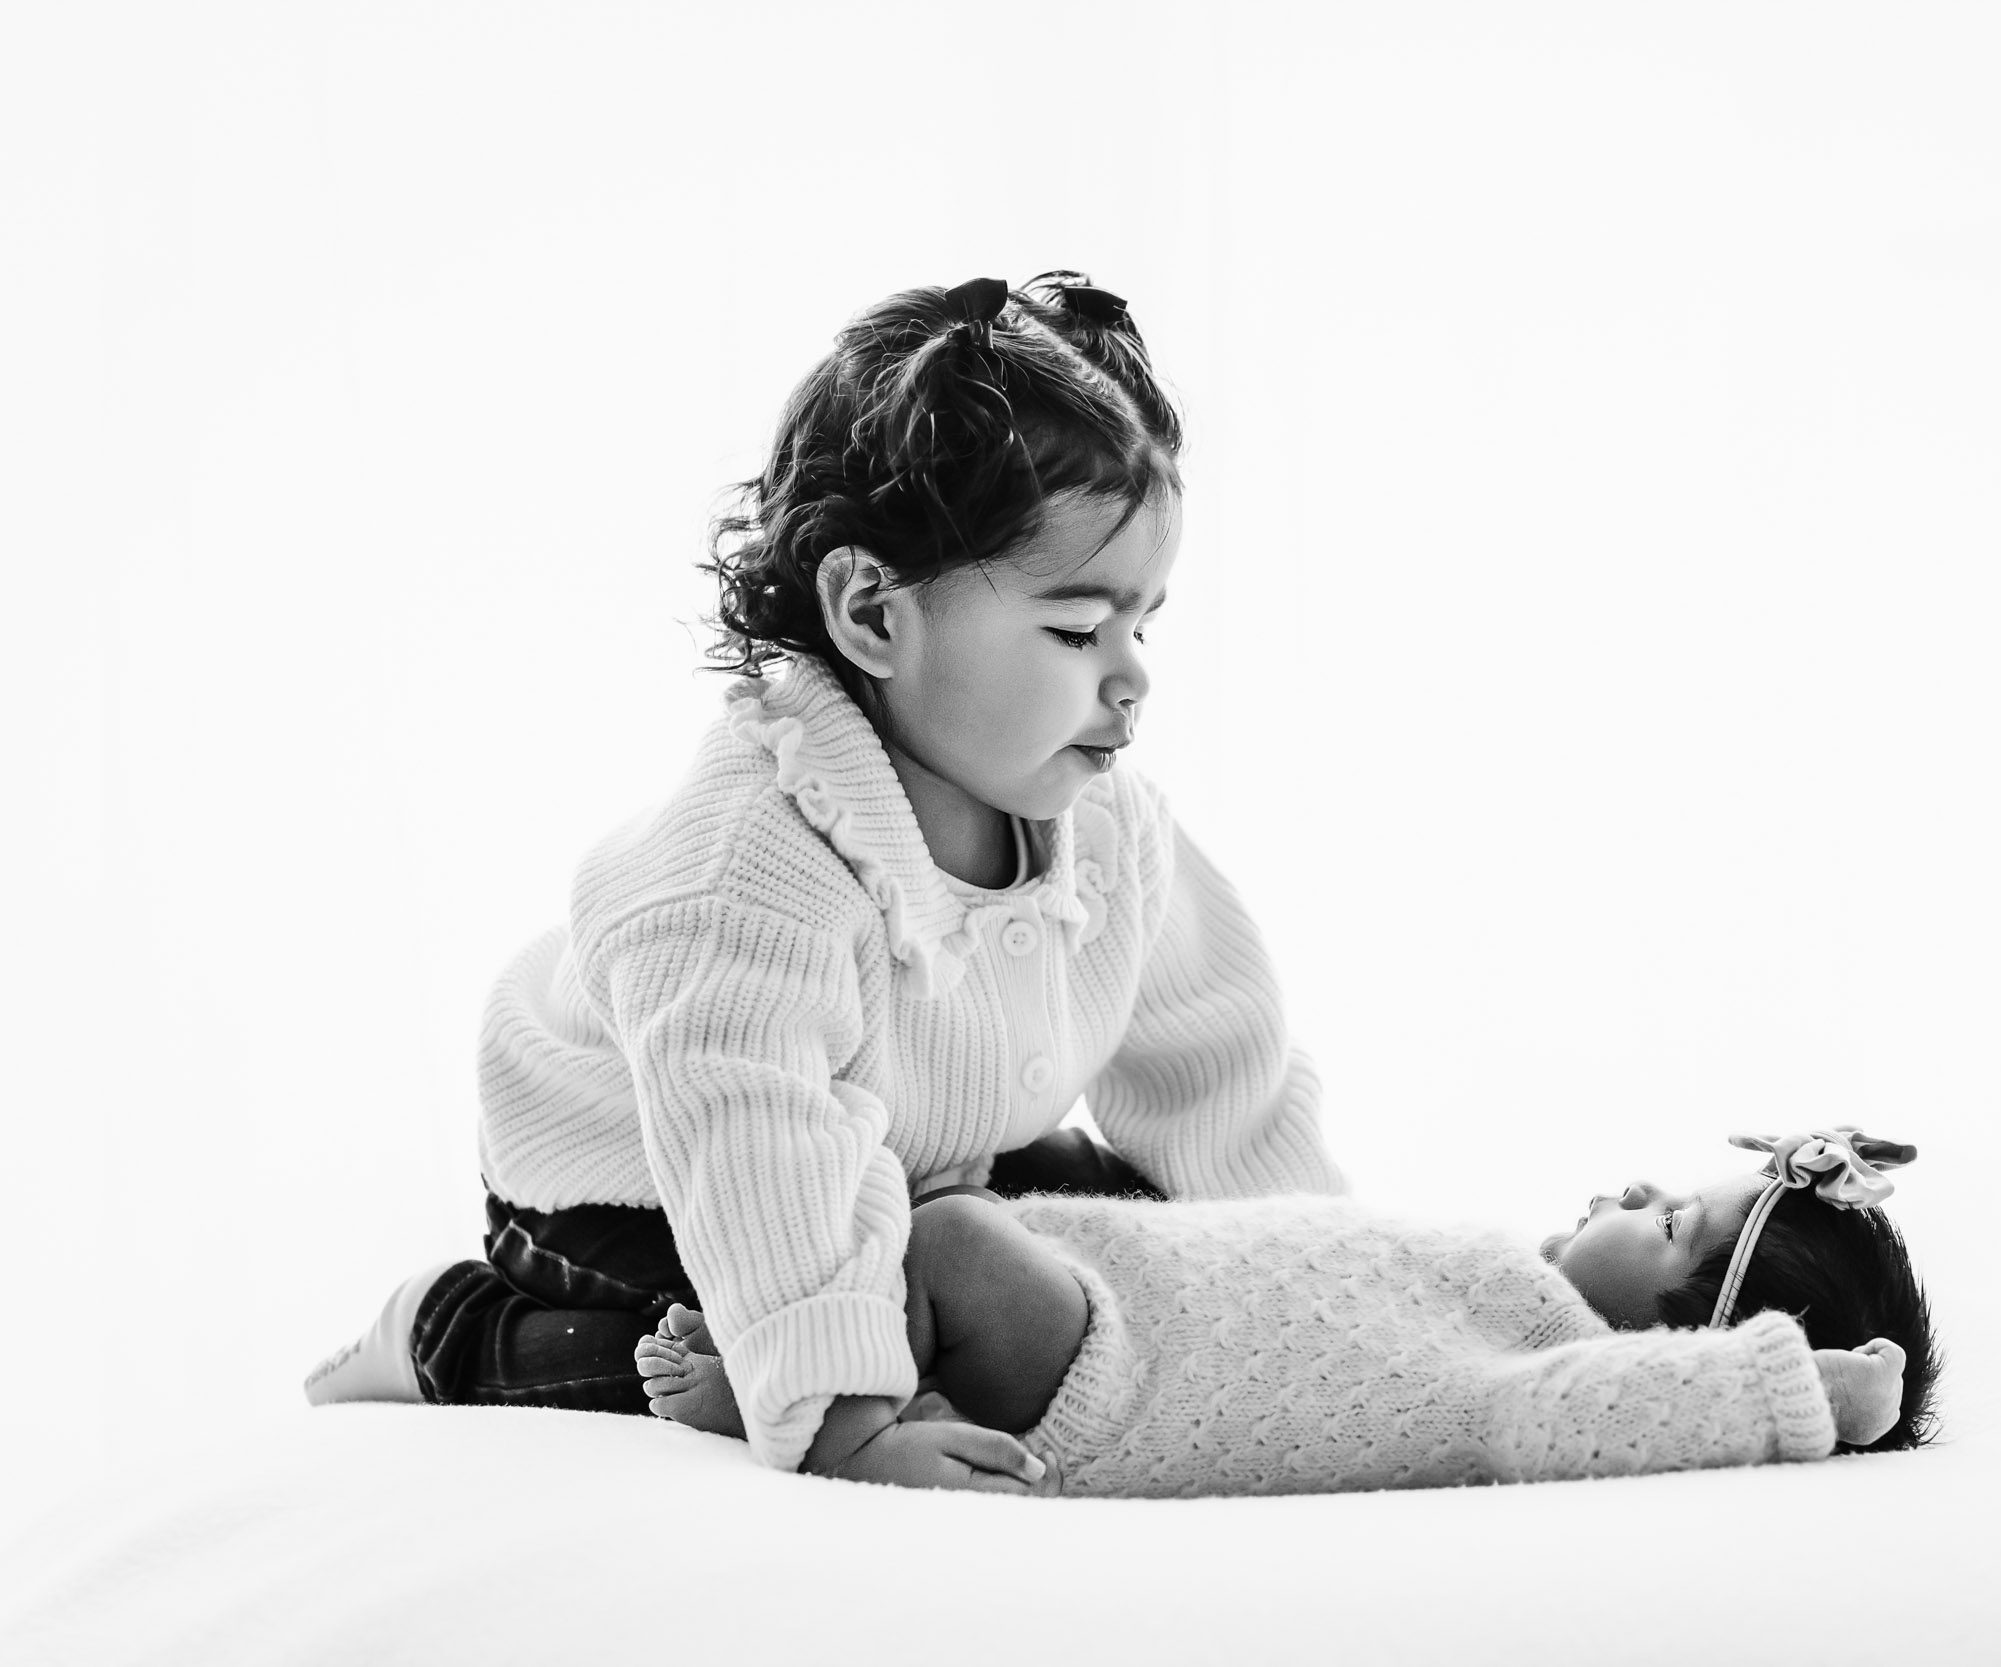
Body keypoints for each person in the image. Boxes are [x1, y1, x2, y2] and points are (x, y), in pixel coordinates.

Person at [304, 274, 1347, 1493]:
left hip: (907, 1149)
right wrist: (855, 1423)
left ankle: (874, 1311)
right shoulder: (745, 864)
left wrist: (1317, 1278)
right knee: (710, 1345)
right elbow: (755, 1138)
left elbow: (1222, 1075)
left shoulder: (1108, 825)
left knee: (1112, 1217)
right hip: (643, 1172)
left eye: (1141, 628)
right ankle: (448, 1332)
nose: (1129, 680)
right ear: (870, 613)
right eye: (1074, 632)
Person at [635, 1130, 1942, 1496]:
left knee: (948, 1237)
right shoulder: (1516, 1287)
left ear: (1682, 1345)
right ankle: (801, 1353)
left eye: (1668, 1227)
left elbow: (1611, 1412)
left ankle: (812, 1405)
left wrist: (1796, 1391)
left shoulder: (1547, 1366)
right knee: (984, 1182)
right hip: (1115, 1284)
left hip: (1107, 1367)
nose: (1636, 1188)